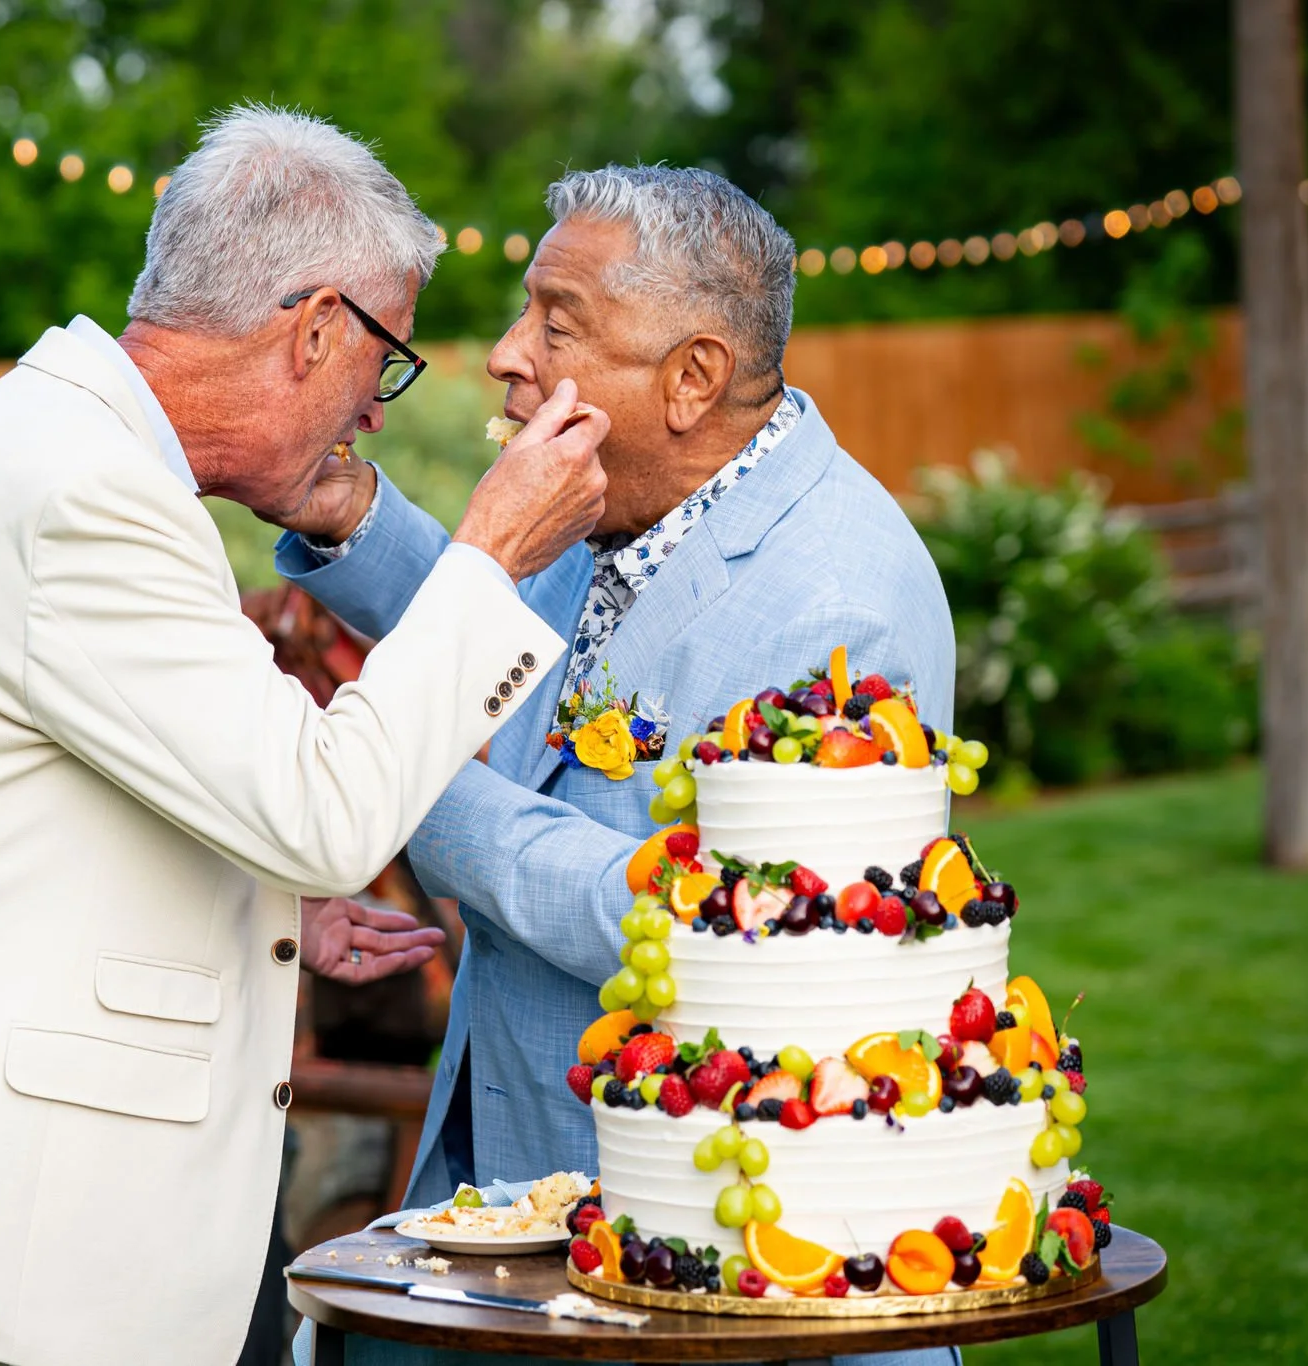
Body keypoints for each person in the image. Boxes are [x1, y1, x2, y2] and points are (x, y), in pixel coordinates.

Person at [0, 106, 612, 1366]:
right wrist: (490, 555)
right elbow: (323, 810)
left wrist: (254, 914)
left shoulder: (37, 446)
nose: (378, 414)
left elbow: (36, 814)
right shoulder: (84, 492)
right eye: (383, 361)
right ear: (313, 328)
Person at [275, 165, 957, 1366]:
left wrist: (398, 770)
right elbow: (507, 644)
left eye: (556, 319)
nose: (503, 351)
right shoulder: (625, 491)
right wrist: (353, 519)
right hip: (503, 1198)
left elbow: (726, 930)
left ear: (690, 376)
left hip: (700, 1264)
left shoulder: (840, 605)